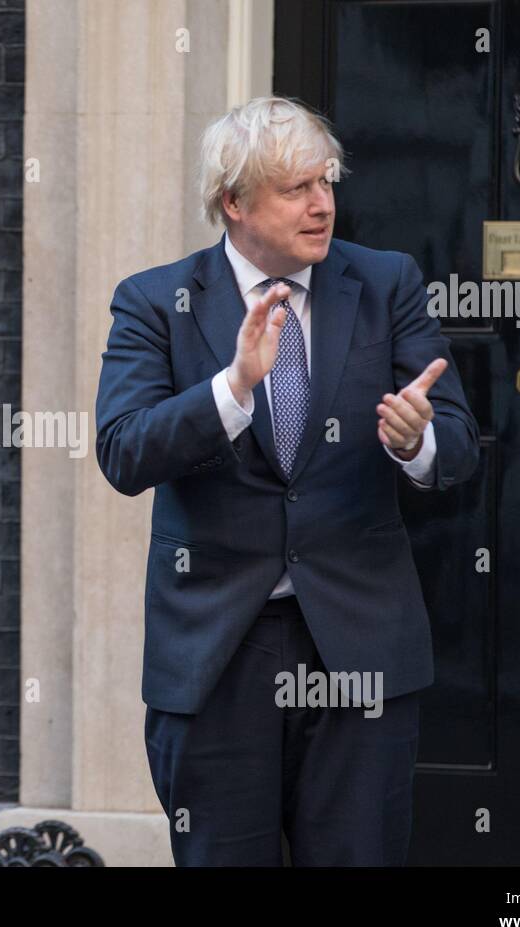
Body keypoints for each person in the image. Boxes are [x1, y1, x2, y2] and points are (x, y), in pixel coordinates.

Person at [94, 96, 480, 866]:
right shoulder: (155, 302)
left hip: (359, 646)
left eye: (327, 182)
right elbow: (123, 452)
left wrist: (418, 443)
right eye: (297, 189)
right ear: (233, 203)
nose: (322, 204)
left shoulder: (386, 282)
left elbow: (459, 443)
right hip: (216, 659)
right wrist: (231, 389)